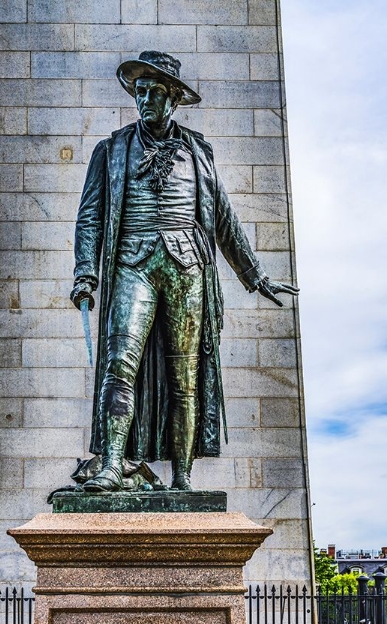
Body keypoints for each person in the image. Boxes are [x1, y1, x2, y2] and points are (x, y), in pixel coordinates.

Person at [70, 51, 298, 492]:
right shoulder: (111, 149)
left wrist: (255, 276)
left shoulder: (198, 150)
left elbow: (223, 216)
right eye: (140, 91)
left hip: (186, 266)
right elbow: (90, 215)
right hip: (132, 263)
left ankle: (183, 478)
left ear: (174, 98)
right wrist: (85, 271)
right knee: (119, 364)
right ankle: (113, 464)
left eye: (156, 92)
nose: (146, 100)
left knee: (185, 379)